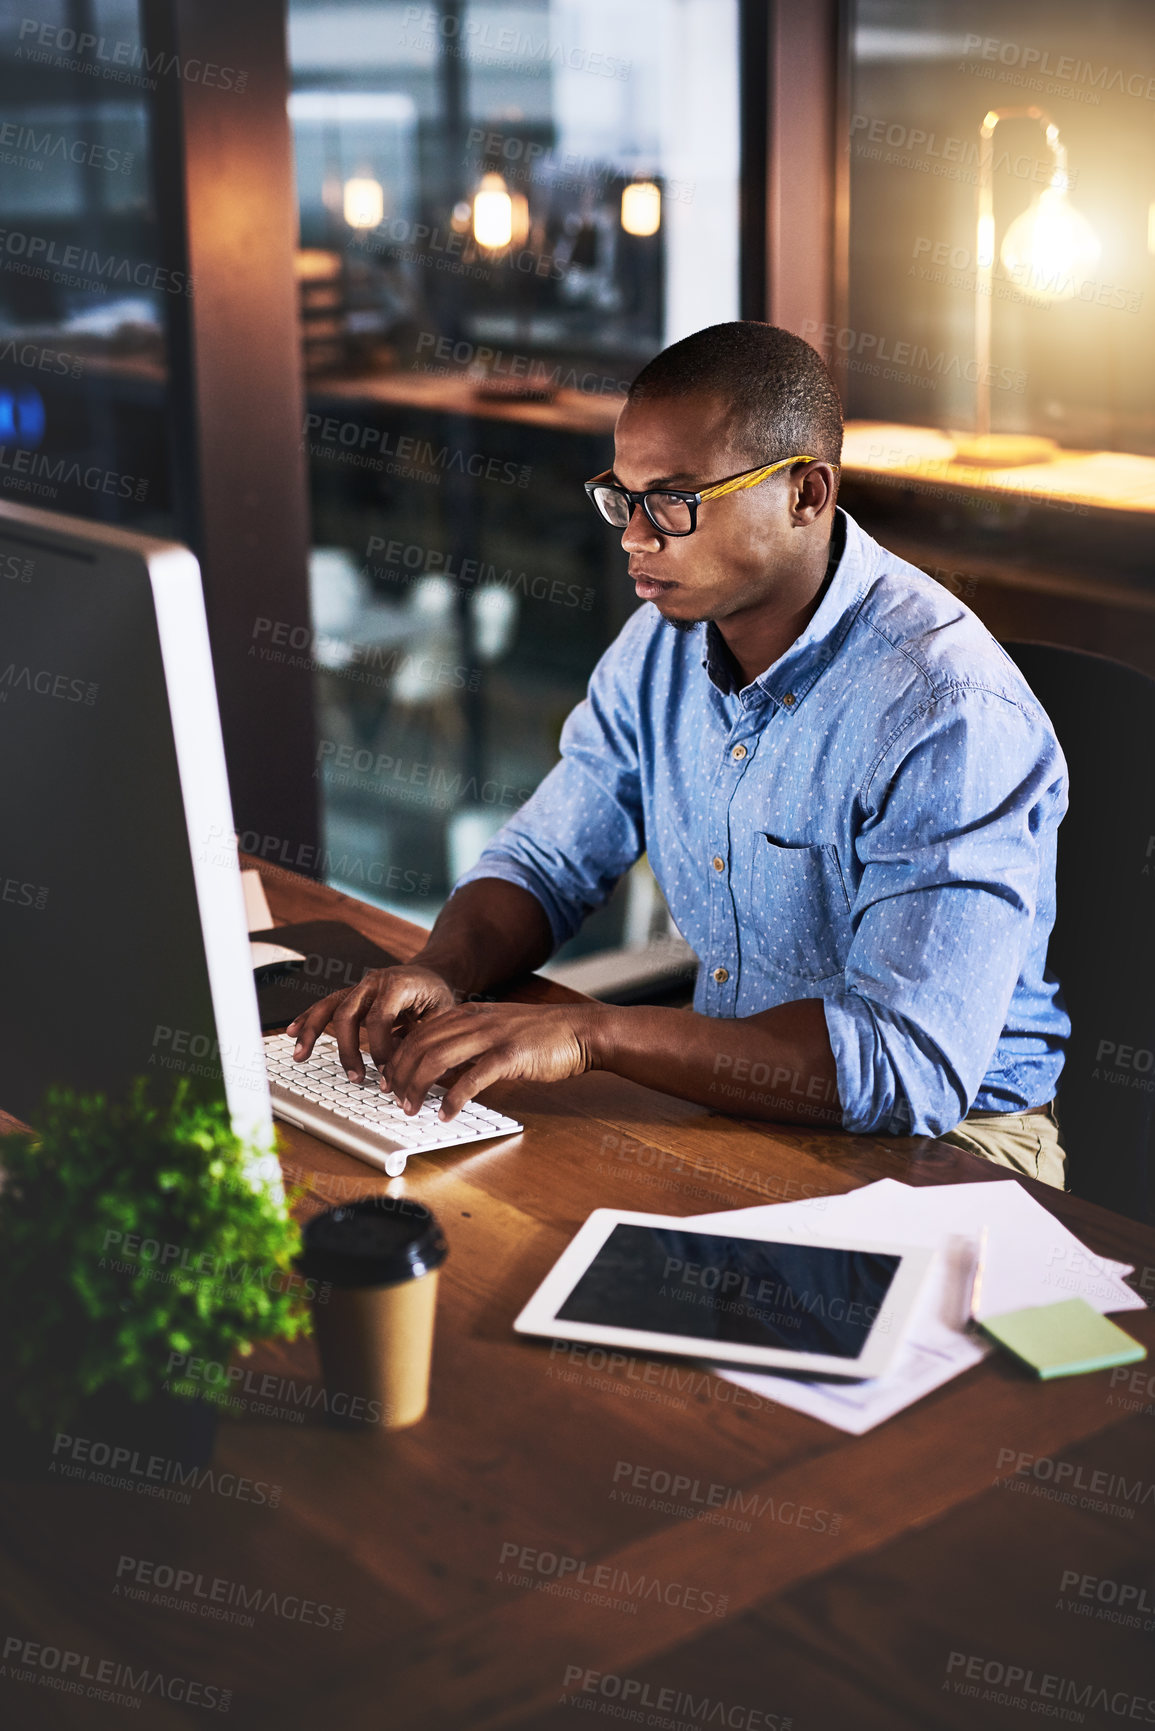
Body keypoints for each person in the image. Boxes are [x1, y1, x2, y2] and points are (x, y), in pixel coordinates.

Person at [289, 322, 1070, 1187]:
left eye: (673, 500)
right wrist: (441, 969)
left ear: (806, 494)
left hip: (957, 1149)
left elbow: (903, 1069)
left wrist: (592, 1034)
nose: (633, 536)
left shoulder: (946, 711)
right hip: (738, 1105)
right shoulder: (658, 645)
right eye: (622, 497)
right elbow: (545, 861)